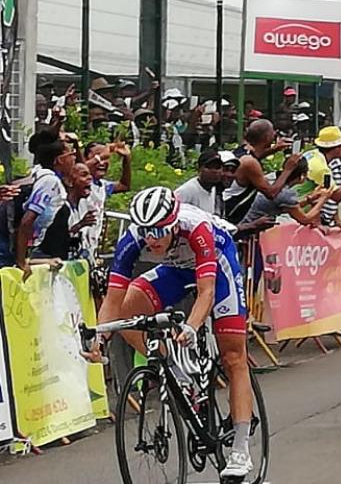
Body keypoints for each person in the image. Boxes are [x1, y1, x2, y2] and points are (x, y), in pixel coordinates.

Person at [92, 188, 255, 478]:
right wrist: (100, 338)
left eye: (159, 230)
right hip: (175, 270)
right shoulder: (133, 238)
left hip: (218, 266)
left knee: (233, 357)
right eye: (146, 231)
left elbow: (206, 293)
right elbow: (113, 300)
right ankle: (176, 371)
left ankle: (241, 447)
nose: (151, 238)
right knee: (127, 312)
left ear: (174, 223)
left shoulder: (197, 229)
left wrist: (191, 327)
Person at [15, 130, 78, 270]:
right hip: (32, 250)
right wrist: (22, 263)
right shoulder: (49, 181)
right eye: (71, 155)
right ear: (59, 160)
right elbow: (27, 221)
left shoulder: (43, 175)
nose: (75, 159)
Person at [223, 119, 301, 225]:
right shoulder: (250, 163)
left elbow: (256, 155)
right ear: (267, 138)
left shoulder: (243, 150)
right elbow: (271, 193)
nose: (275, 134)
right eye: (273, 132)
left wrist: (274, 149)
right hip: (229, 213)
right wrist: (288, 169)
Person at [77, 141, 131, 265]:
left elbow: (124, 185)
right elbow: (78, 170)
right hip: (77, 244)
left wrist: (126, 158)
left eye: (106, 158)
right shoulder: (77, 184)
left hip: (91, 246)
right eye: (98, 157)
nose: (102, 163)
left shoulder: (102, 186)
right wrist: (100, 157)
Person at [242, 156, 330, 227]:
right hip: (250, 229)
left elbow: (288, 207)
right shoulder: (286, 194)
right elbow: (305, 219)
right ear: (302, 176)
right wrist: (324, 199)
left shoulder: (271, 179)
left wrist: (309, 199)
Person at [175, 149, 229, 216]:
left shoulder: (213, 189)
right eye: (210, 167)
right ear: (199, 169)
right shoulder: (187, 190)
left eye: (217, 167)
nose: (215, 171)